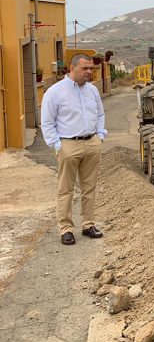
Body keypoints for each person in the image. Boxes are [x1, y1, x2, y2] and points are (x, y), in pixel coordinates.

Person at [41, 53, 107, 246]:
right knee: (66, 189)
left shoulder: (92, 91)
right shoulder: (54, 92)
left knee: (89, 187)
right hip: (68, 145)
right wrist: (58, 145)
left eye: (91, 68)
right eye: (85, 68)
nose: (89, 72)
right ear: (72, 68)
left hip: (92, 143)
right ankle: (66, 229)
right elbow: (47, 123)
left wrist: (99, 136)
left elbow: (100, 114)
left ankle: (88, 225)